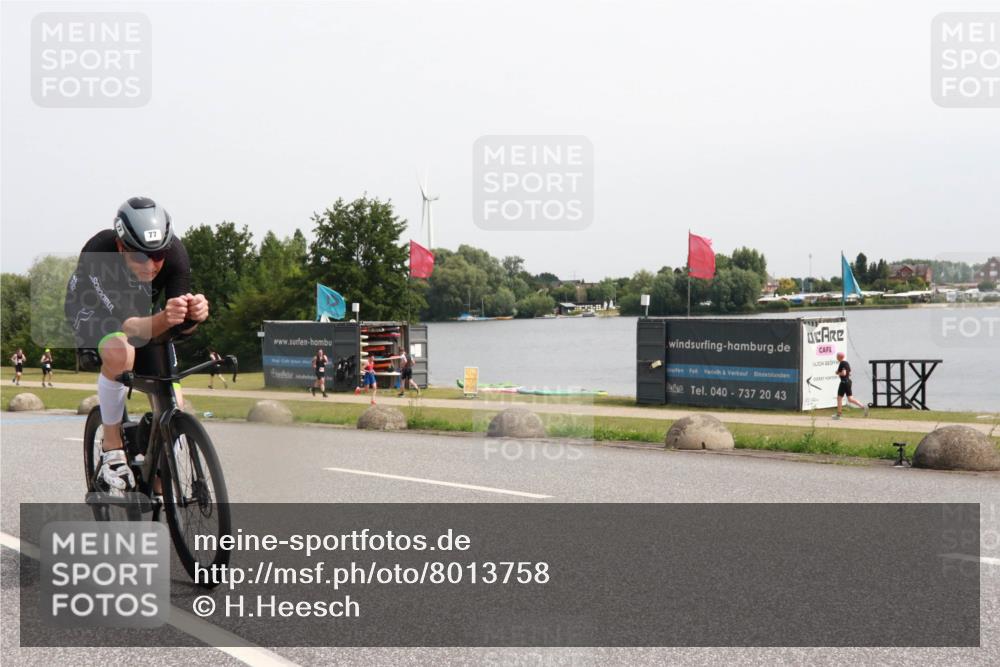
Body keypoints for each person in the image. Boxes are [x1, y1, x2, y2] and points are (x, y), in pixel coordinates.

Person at [64, 196, 208, 495]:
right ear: (121, 247)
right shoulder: (100, 252)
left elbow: (176, 325)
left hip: (143, 315)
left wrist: (193, 316)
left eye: (159, 255)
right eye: (141, 256)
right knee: (122, 351)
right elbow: (129, 327)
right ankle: (112, 448)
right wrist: (166, 318)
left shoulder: (176, 255)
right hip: (93, 311)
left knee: (173, 402)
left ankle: (155, 472)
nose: (152, 264)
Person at [833, 351, 869, 419]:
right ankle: (864, 407)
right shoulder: (846, 363)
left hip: (843, 382)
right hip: (848, 382)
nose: (836, 358)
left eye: (837, 356)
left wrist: (838, 373)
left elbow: (844, 373)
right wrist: (840, 372)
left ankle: (838, 415)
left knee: (839, 398)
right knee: (850, 399)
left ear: (839, 357)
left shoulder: (842, 363)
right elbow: (849, 373)